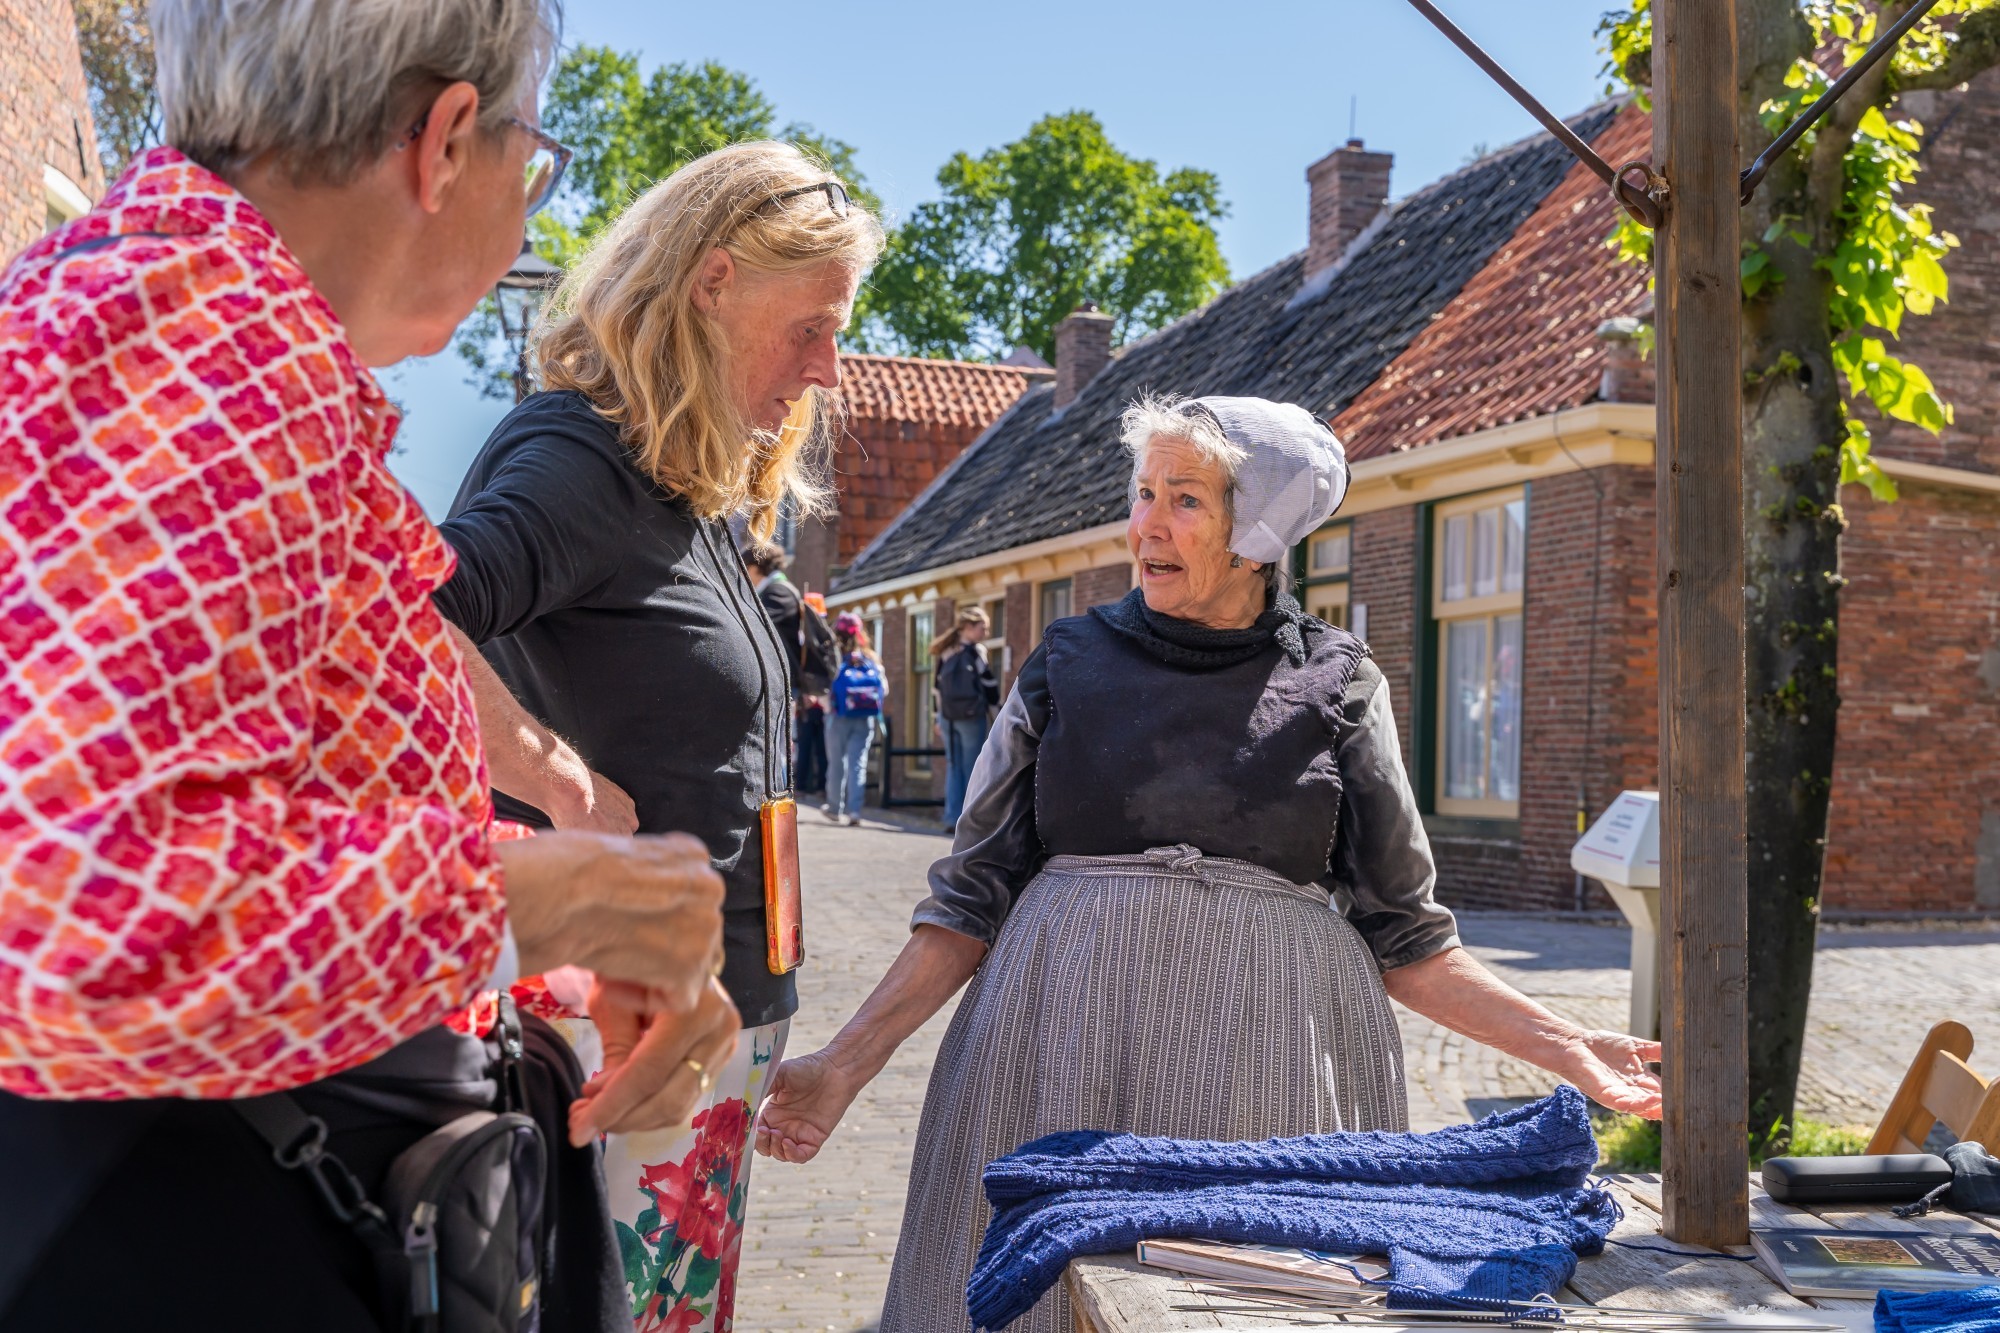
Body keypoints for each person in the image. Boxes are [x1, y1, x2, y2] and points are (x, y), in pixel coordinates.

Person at [0, 2, 735, 1328]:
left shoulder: (173, 309)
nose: (528, 201)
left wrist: (532, 960)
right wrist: (555, 897)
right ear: (447, 140)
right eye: (537, 159)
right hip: (212, 1232)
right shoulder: (204, 332)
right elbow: (76, 921)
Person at [754, 394, 1665, 1333]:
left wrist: (1569, 1046)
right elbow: (965, 899)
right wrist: (844, 1064)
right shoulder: (1064, 661)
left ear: (1260, 529)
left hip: (1270, 1088)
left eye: (1184, 499)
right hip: (1051, 1057)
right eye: (1144, 492)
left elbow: (1408, 937)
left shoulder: (1340, 681)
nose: (1146, 522)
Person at [431, 140, 883, 1330]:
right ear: (712, 281)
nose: (827, 368)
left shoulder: (693, 480)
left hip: (718, 999)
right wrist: (555, 778)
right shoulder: (576, 458)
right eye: (811, 328)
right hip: (613, 1019)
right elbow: (395, 621)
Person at [929, 607, 1001, 832]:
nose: (986, 632)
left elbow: (936, 688)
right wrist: (998, 714)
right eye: (983, 628)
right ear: (969, 627)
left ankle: (951, 817)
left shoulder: (946, 652)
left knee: (954, 766)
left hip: (948, 717)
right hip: (972, 716)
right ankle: (969, 822)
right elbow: (989, 685)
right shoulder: (976, 651)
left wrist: (936, 717)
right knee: (973, 768)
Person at [824, 614, 887, 827]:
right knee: (858, 763)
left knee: (836, 763)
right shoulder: (870, 658)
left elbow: (825, 689)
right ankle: (855, 811)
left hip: (837, 717)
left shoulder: (834, 656)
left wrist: (828, 706)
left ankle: (834, 808)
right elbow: (883, 689)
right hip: (865, 717)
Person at [744, 538, 805, 687]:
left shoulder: (778, 591)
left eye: (744, 568)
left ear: (754, 568)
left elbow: (757, 624)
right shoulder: (772, 589)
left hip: (784, 677)